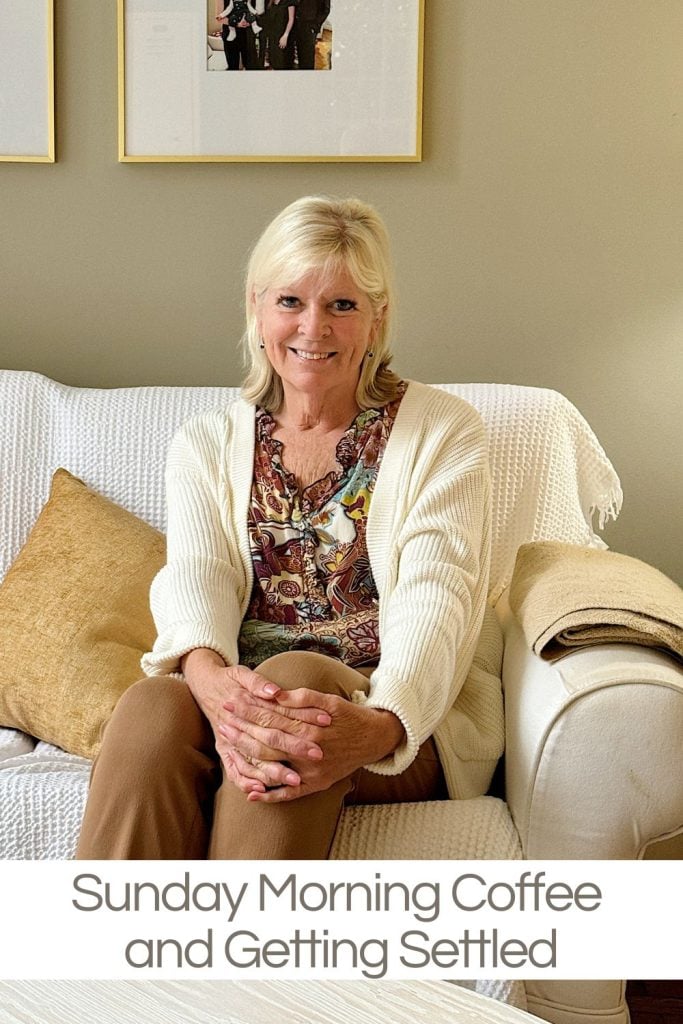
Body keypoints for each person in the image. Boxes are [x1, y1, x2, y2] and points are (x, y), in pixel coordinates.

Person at [76, 195, 493, 860]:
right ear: (256, 307)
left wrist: (384, 725)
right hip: (245, 700)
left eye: (343, 305)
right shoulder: (206, 442)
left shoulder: (444, 432)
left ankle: (252, 960)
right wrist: (209, 681)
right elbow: (196, 573)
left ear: (378, 318)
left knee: (301, 676)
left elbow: (435, 594)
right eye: (291, 301)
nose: (313, 327)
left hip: (386, 713)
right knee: (154, 705)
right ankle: (106, 958)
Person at [293, 0, 330, 70]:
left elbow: (326, 9)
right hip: (297, 24)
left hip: (310, 27)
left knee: (308, 58)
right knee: (300, 54)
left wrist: (315, 26)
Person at [262, 0, 296, 70]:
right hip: (273, 37)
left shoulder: (289, 2)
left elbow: (291, 19)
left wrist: (285, 35)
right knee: (274, 62)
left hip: (284, 36)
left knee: (283, 62)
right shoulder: (271, 2)